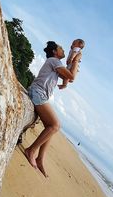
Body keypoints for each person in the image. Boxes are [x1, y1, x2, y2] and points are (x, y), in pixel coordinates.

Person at [24, 41, 82, 177]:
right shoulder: (54, 61)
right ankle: (31, 151)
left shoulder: (56, 64)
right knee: (55, 125)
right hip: (37, 93)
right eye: (61, 48)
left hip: (40, 94)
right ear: (55, 52)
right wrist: (77, 59)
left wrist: (75, 61)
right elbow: (71, 75)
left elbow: (70, 77)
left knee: (50, 128)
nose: (63, 49)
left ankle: (40, 159)